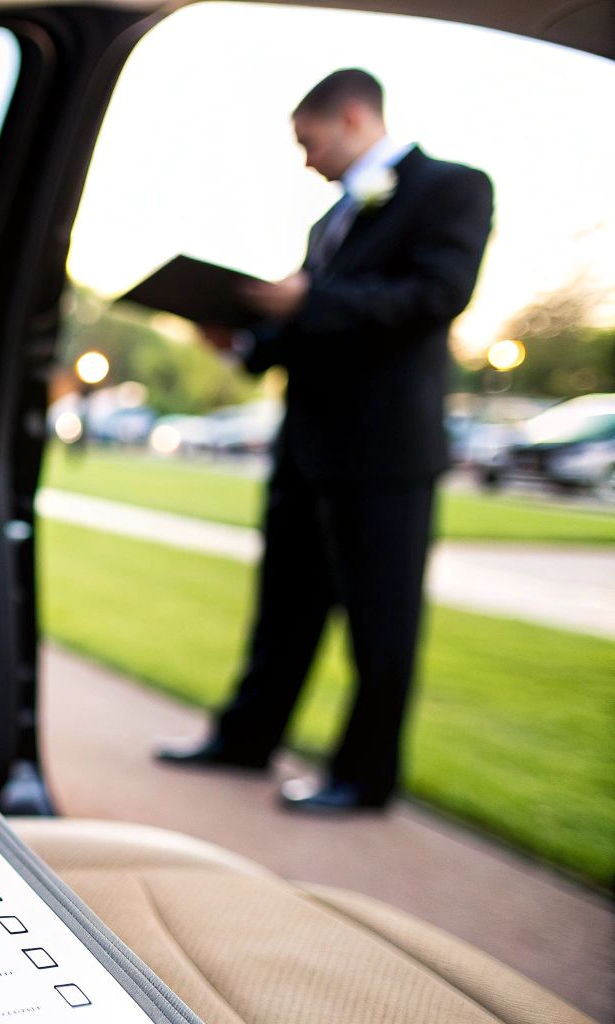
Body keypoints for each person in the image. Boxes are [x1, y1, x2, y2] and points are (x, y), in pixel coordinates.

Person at [157, 69, 494, 812]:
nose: (305, 159)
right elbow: (307, 330)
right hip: (306, 446)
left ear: (349, 117)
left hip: (384, 452)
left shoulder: (453, 188)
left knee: (381, 620)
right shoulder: (329, 224)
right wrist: (241, 339)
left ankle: (364, 776)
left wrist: (312, 298)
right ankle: (245, 740)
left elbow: (435, 297)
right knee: (283, 608)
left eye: (308, 142)